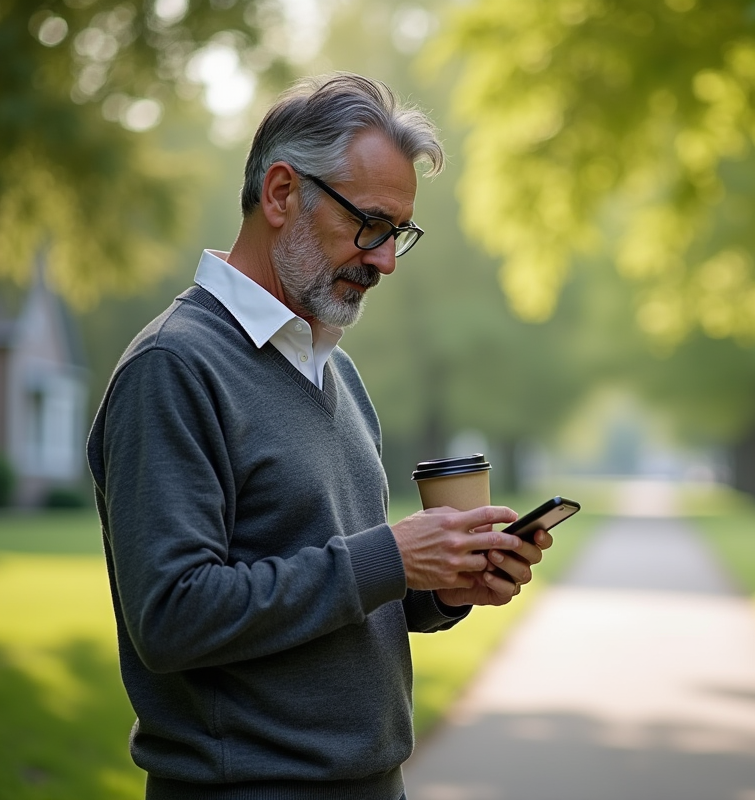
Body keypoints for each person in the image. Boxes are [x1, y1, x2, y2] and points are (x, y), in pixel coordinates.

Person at [86, 73, 551, 800]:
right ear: (279, 194)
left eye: (398, 233)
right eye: (369, 224)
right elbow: (173, 616)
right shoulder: (173, 366)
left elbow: (338, 583)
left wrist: (443, 585)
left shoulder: (334, 369)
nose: (385, 259)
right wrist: (389, 556)